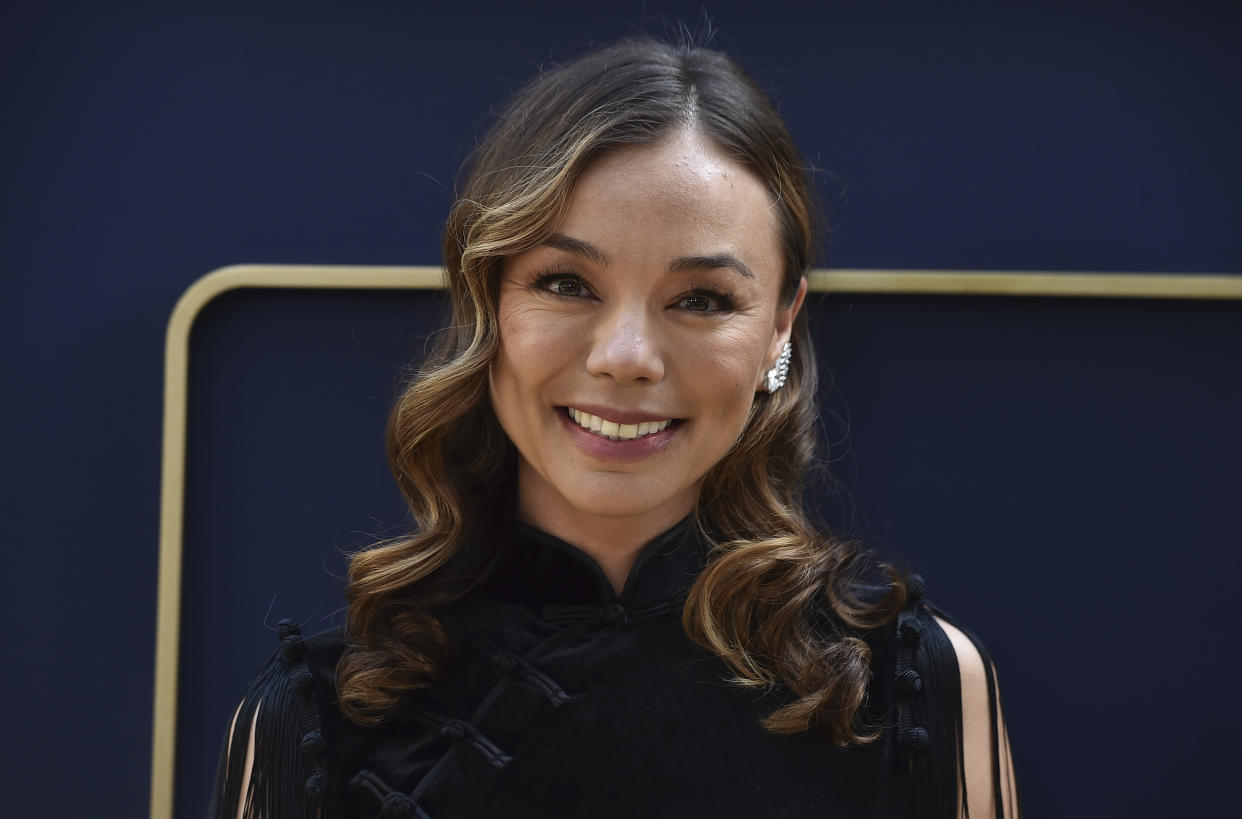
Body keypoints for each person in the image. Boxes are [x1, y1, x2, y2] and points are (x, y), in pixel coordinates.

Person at [212, 36, 1018, 819]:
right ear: (489, 303)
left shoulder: (916, 687)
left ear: (780, 327)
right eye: (566, 282)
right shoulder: (315, 719)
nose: (627, 357)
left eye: (700, 298)